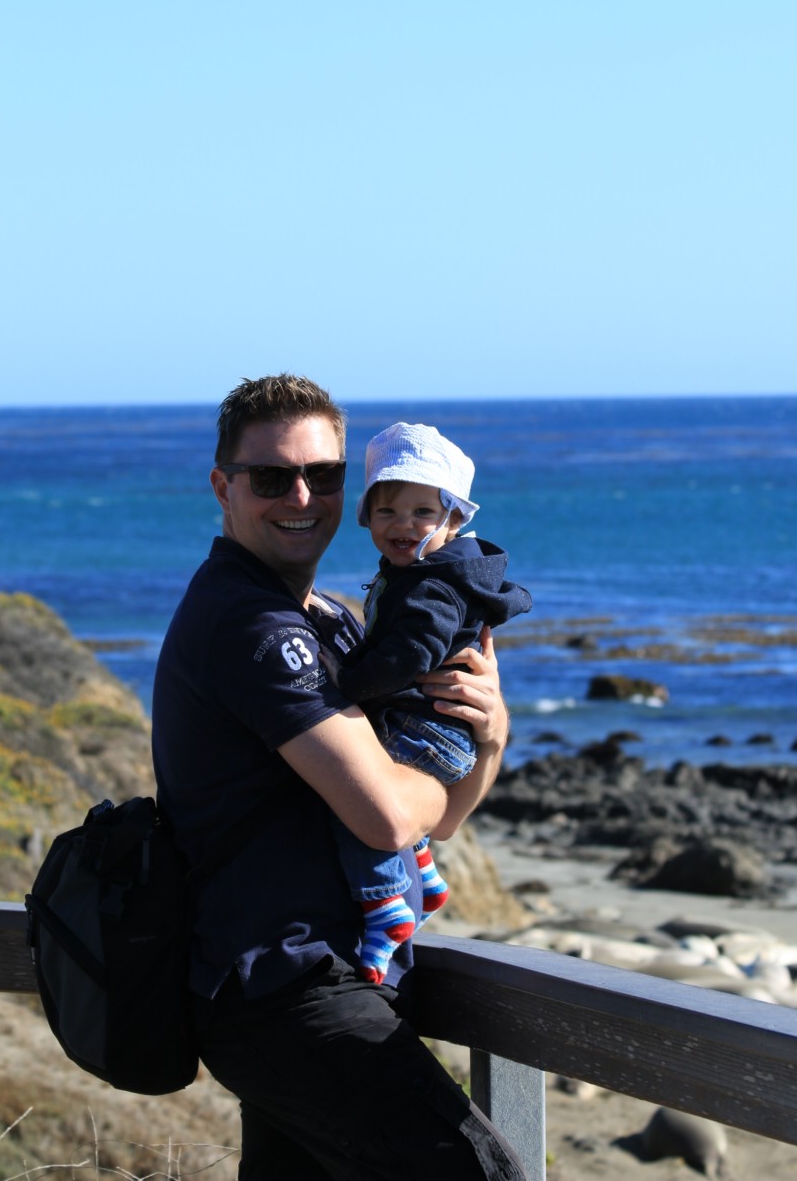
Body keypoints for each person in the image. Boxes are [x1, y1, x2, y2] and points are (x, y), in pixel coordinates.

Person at [151, 375, 526, 1181]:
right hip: (287, 989)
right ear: (222, 486)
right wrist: (424, 787)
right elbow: (389, 820)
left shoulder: (328, 619)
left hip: (325, 980)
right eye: (270, 477)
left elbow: (438, 820)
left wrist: (491, 735)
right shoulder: (256, 630)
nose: (300, 497)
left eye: (321, 475)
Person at [323, 421, 532, 984]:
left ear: (453, 519)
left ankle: (386, 905)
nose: (402, 525)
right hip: (441, 729)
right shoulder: (418, 572)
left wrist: (348, 680)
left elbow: (410, 652)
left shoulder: (432, 585)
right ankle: (423, 869)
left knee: (355, 797)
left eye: (422, 512)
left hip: (428, 730)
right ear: (367, 517)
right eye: (387, 511)